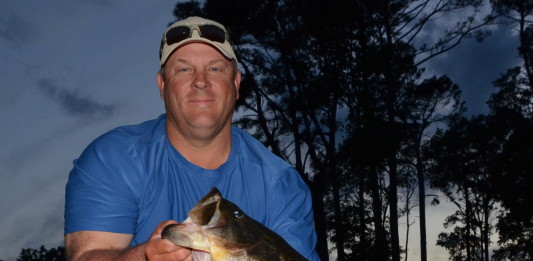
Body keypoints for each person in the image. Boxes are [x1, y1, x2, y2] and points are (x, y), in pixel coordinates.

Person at [64, 16, 319, 261]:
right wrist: (145, 257)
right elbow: (87, 256)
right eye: (184, 69)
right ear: (162, 85)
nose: (200, 81)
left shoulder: (281, 186)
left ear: (236, 83)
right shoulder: (114, 158)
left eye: (215, 68)